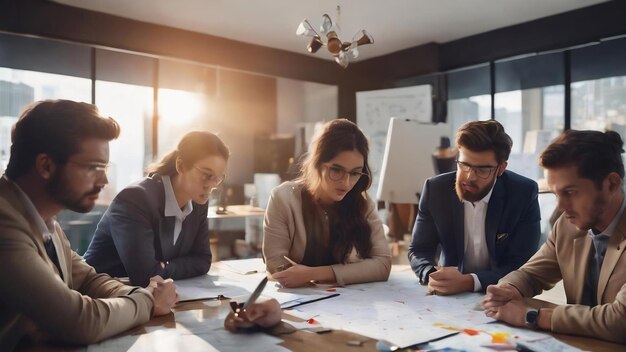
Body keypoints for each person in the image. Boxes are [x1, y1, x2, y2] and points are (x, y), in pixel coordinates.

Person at [0, 100, 177, 350]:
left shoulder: (45, 220)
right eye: (93, 167)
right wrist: (147, 302)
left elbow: (87, 281)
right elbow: (79, 321)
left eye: (104, 168)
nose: (104, 180)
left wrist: (137, 296)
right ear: (46, 166)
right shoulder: (4, 222)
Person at [482, 130, 626, 343]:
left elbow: (620, 322)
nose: (560, 208)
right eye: (556, 194)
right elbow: (531, 274)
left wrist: (533, 316)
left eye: (570, 193)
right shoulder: (567, 226)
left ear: (612, 184)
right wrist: (508, 290)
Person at [408, 120, 541, 295]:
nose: (470, 177)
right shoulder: (436, 189)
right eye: (464, 165)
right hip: (449, 296)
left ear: (501, 168)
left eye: (482, 169)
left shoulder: (522, 193)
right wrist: (431, 274)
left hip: (502, 293)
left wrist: (469, 282)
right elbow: (419, 249)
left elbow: (523, 264)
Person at [84, 131, 229, 286]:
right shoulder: (136, 199)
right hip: (101, 296)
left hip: (150, 298)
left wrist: (163, 267)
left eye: (218, 177)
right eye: (206, 174)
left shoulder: (198, 202)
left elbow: (203, 261)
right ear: (180, 166)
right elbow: (145, 276)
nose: (211, 185)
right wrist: (162, 269)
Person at [263, 119, 391, 287]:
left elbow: (382, 265)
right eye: (336, 170)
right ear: (317, 164)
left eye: (355, 173)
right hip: (300, 301)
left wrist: (313, 274)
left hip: (353, 302)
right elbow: (275, 263)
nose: (346, 183)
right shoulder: (284, 198)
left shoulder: (363, 204)